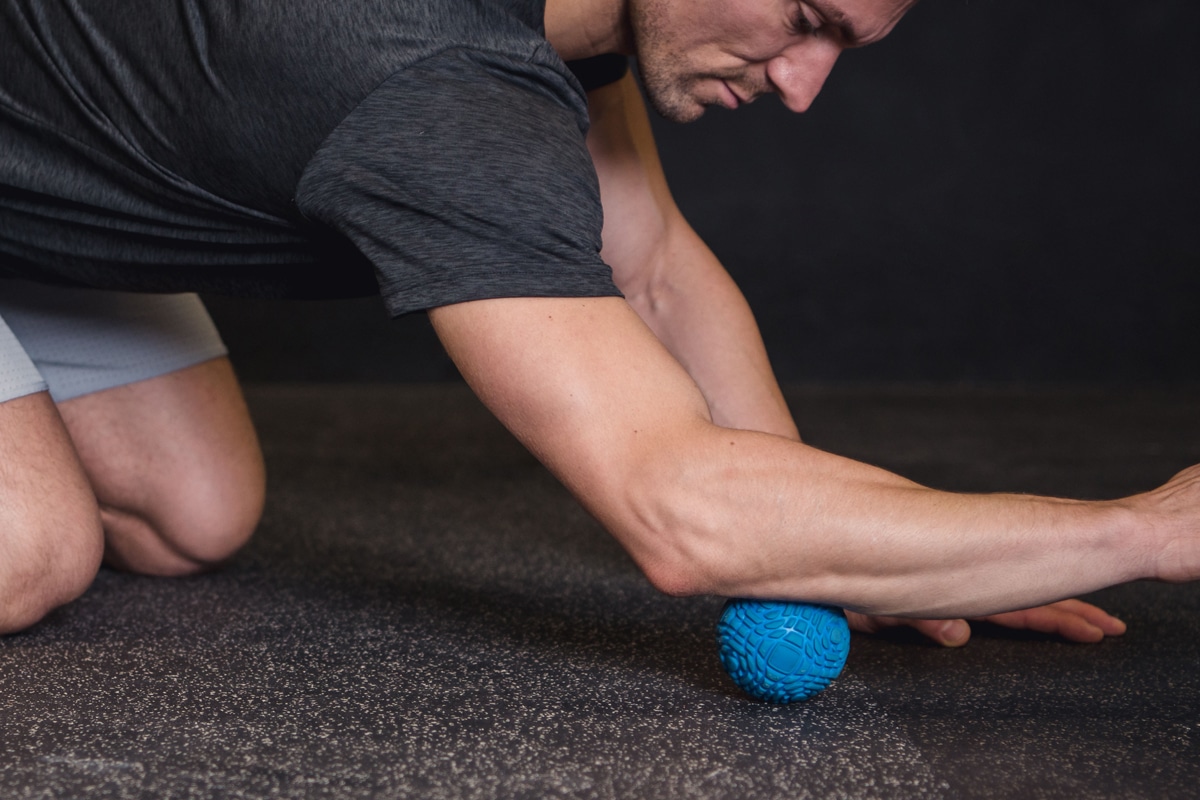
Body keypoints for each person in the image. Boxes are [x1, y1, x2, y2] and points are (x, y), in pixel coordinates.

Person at [0, 0, 1194, 643]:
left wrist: (862, 543)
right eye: (804, 16)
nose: (801, 83)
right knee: (34, 548)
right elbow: (680, 511)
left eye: (844, 43)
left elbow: (658, 267)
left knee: (192, 515)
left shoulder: (571, 24)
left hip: (39, 173)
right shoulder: (433, 88)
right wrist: (1142, 531)